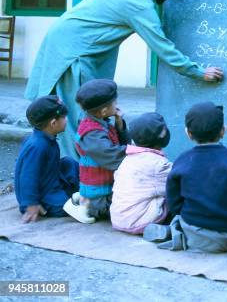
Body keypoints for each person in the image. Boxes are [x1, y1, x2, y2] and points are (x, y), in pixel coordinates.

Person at [25, 0, 224, 159]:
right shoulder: (138, 3)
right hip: (74, 52)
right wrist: (198, 72)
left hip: (75, 40)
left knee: (91, 115)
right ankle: (79, 181)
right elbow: (162, 46)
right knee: (81, 121)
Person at [150, 102, 227, 253]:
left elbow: (174, 204)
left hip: (192, 232)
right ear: (223, 131)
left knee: (177, 218)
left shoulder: (182, 161)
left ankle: (175, 233)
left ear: (188, 133)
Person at [62, 79, 130, 224]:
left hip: (105, 188)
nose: (117, 105)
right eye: (115, 103)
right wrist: (140, 152)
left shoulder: (100, 120)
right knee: (129, 209)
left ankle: (81, 197)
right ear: (104, 110)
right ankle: (85, 205)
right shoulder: (92, 134)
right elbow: (114, 157)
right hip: (100, 195)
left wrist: (120, 124)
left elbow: (118, 145)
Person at [14, 96, 79, 223]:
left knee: (68, 163)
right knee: (68, 207)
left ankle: (80, 190)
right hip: (41, 195)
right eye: (64, 118)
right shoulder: (37, 145)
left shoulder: (46, 137)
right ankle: (76, 195)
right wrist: (31, 204)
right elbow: (28, 176)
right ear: (53, 123)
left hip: (50, 179)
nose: (66, 120)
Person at [110, 112, 172, 234]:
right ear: (162, 137)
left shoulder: (128, 159)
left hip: (118, 219)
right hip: (139, 221)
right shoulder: (157, 164)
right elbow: (178, 182)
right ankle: (166, 229)